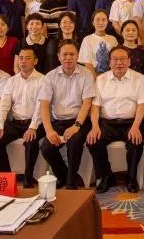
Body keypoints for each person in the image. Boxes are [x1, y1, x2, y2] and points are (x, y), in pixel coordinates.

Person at [88, 46, 144, 193]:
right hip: (107, 123)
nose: (119, 63)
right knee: (93, 141)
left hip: (131, 122)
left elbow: (141, 105)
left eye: (122, 59)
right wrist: (95, 126)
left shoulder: (139, 78)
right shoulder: (101, 79)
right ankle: (106, 176)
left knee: (136, 141)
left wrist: (136, 126)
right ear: (109, 62)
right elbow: (95, 107)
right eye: (115, 59)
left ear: (129, 61)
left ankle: (131, 178)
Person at [38, 40, 95, 189]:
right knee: (46, 148)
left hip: (80, 121)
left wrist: (76, 125)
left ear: (77, 56)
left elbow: (87, 103)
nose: (68, 58)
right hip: (58, 122)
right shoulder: (50, 76)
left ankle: (71, 181)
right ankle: (63, 175)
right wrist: (49, 130)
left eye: (72, 54)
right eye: (64, 54)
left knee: (74, 142)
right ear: (58, 56)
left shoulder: (86, 74)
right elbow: (44, 105)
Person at [0, 46, 44, 187]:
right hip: (16, 122)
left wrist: (32, 127)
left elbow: (40, 108)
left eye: (27, 58)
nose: (23, 61)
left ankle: (28, 178)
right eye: (21, 58)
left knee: (31, 141)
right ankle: (6, 177)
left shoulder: (43, 80)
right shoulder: (12, 81)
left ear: (35, 61)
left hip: (35, 123)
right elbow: (4, 106)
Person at [78, 9, 118, 75]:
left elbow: (116, 60)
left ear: (107, 22)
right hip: (94, 75)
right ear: (93, 22)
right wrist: (96, 79)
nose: (101, 22)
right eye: (97, 20)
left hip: (111, 75)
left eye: (104, 20)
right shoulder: (87, 39)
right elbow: (87, 64)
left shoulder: (113, 39)